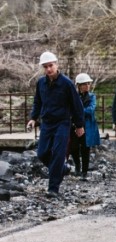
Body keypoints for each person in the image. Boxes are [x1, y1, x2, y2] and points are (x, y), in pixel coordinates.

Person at [26, 51, 84, 198]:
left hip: (62, 123)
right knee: (42, 153)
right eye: (45, 67)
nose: (48, 69)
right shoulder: (41, 83)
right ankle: (61, 169)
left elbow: (76, 105)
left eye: (50, 65)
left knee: (58, 154)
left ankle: (53, 188)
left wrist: (79, 125)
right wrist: (33, 118)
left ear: (57, 64)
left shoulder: (67, 84)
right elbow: (38, 101)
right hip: (46, 123)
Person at [68, 73, 100, 179]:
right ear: (79, 85)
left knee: (86, 148)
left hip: (87, 126)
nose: (87, 86)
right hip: (74, 125)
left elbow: (91, 110)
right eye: (84, 84)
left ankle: (84, 172)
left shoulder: (91, 96)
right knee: (73, 147)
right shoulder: (74, 97)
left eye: (88, 84)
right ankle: (77, 165)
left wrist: (77, 111)